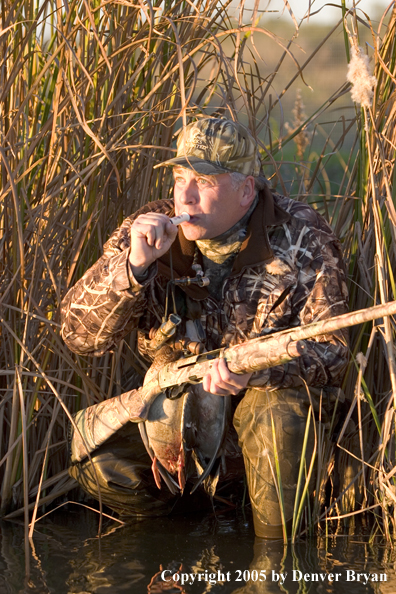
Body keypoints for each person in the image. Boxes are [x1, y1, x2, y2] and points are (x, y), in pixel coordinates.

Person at [61, 117, 349, 539]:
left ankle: (277, 560)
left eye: (205, 181)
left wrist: (259, 372)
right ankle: (183, 534)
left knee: (274, 413)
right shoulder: (146, 230)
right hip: (180, 423)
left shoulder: (301, 234)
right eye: (180, 179)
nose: (186, 197)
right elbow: (77, 335)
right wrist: (133, 268)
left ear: (246, 190)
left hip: (262, 419)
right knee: (97, 456)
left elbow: (334, 350)